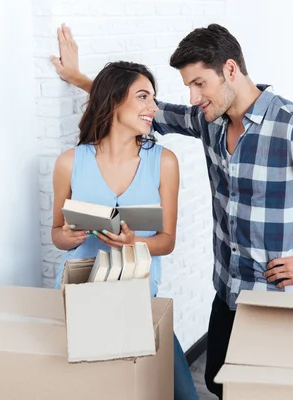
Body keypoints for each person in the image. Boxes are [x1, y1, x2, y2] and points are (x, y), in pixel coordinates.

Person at [51, 23, 293, 399]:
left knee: (263, 393)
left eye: (199, 84)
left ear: (229, 70)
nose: (193, 97)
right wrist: (80, 78)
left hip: (276, 301)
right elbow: (140, 110)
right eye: (189, 87)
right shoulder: (210, 122)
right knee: (218, 383)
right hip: (228, 292)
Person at [50, 59, 199, 400]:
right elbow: (57, 234)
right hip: (85, 300)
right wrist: (69, 236)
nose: (153, 108)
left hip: (140, 299)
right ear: (115, 100)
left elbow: (167, 241)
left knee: (184, 394)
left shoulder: (164, 162)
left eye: (153, 98)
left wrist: (134, 242)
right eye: (144, 97)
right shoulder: (70, 162)